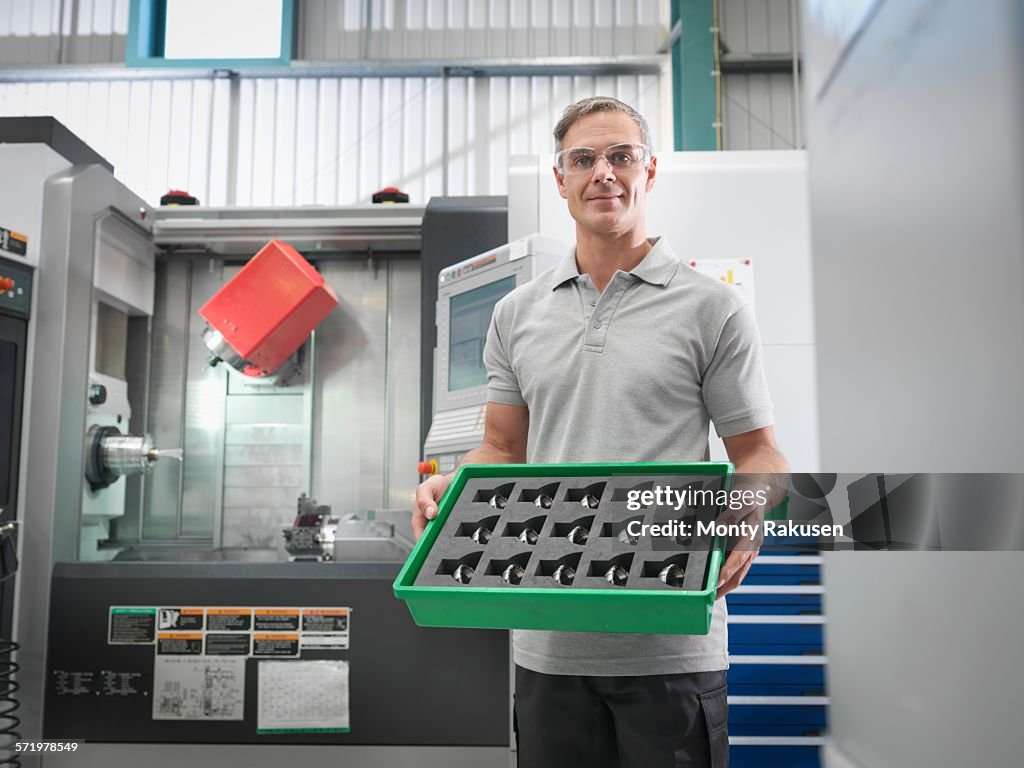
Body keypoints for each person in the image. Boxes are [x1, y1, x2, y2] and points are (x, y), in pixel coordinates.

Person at [413, 96, 789, 768]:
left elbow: (759, 452)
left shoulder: (712, 308)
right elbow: (501, 449)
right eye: (582, 159)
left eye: (621, 156)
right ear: (560, 180)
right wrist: (451, 490)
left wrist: (749, 509)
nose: (603, 173)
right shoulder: (516, 314)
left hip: (670, 644)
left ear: (649, 171)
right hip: (548, 642)